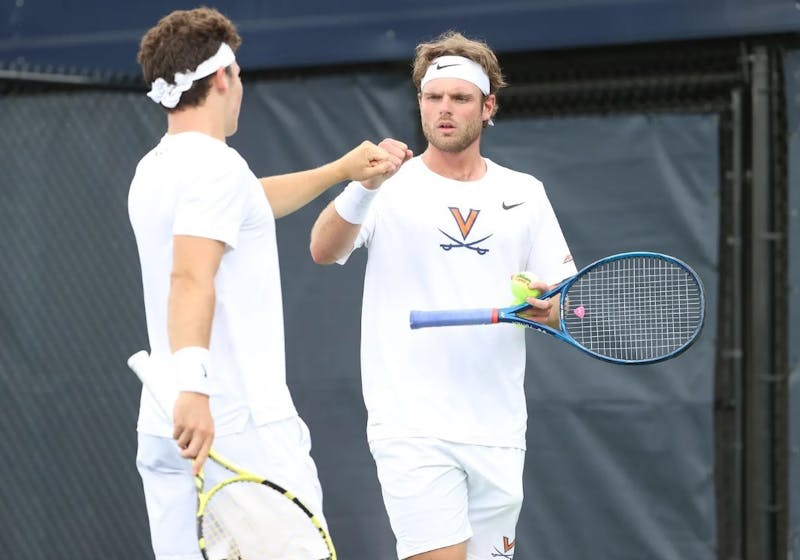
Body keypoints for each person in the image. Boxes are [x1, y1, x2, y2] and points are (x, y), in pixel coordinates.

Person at [128, 7, 408, 559]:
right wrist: (196, 388)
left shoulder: (156, 168)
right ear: (223, 78)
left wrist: (340, 171)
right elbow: (190, 276)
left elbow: (249, 203)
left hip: (166, 426)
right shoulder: (215, 168)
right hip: (232, 424)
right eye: (240, 78)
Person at [310, 31, 577, 560]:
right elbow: (322, 248)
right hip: (412, 427)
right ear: (421, 105)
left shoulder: (525, 193)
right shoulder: (387, 185)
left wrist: (551, 310)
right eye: (434, 98)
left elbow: (565, 307)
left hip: (498, 431)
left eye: (459, 98)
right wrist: (363, 186)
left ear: (488, 106)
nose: (444, 110)